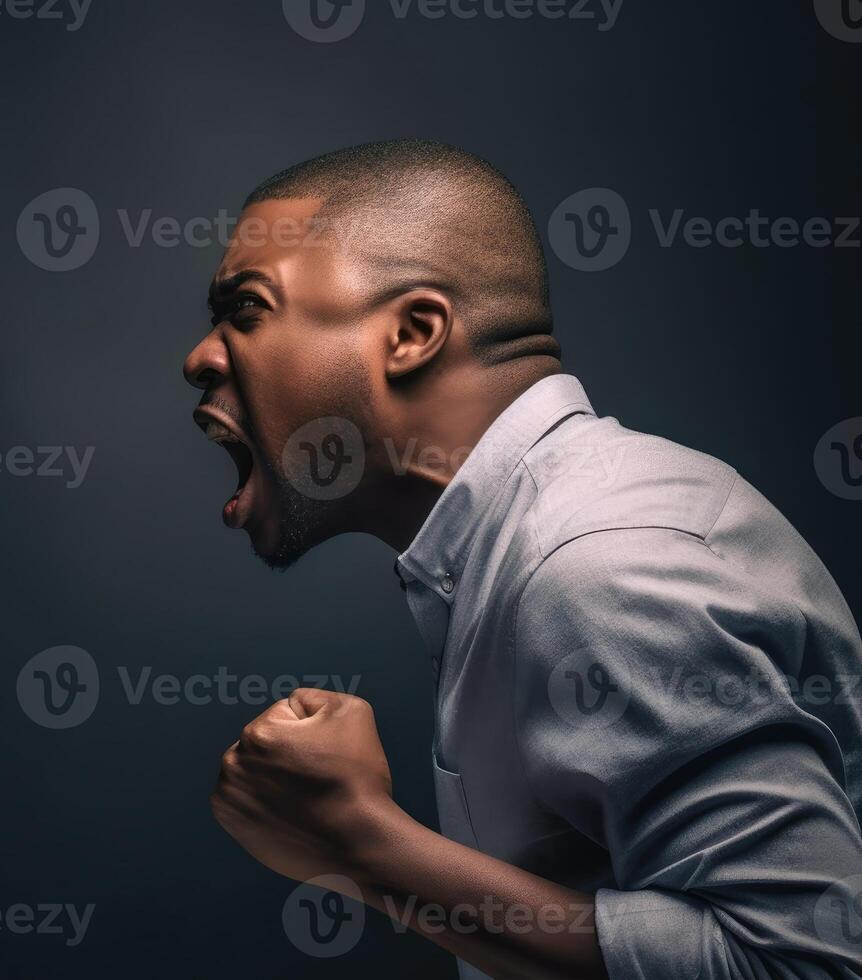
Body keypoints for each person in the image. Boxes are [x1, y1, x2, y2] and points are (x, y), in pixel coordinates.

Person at [184, 140, 862, 979]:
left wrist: (358, 843)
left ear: (412, 333)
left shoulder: (600, 566)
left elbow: (803, 964)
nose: (201, 357)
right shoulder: (513, 549)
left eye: (245, 311)